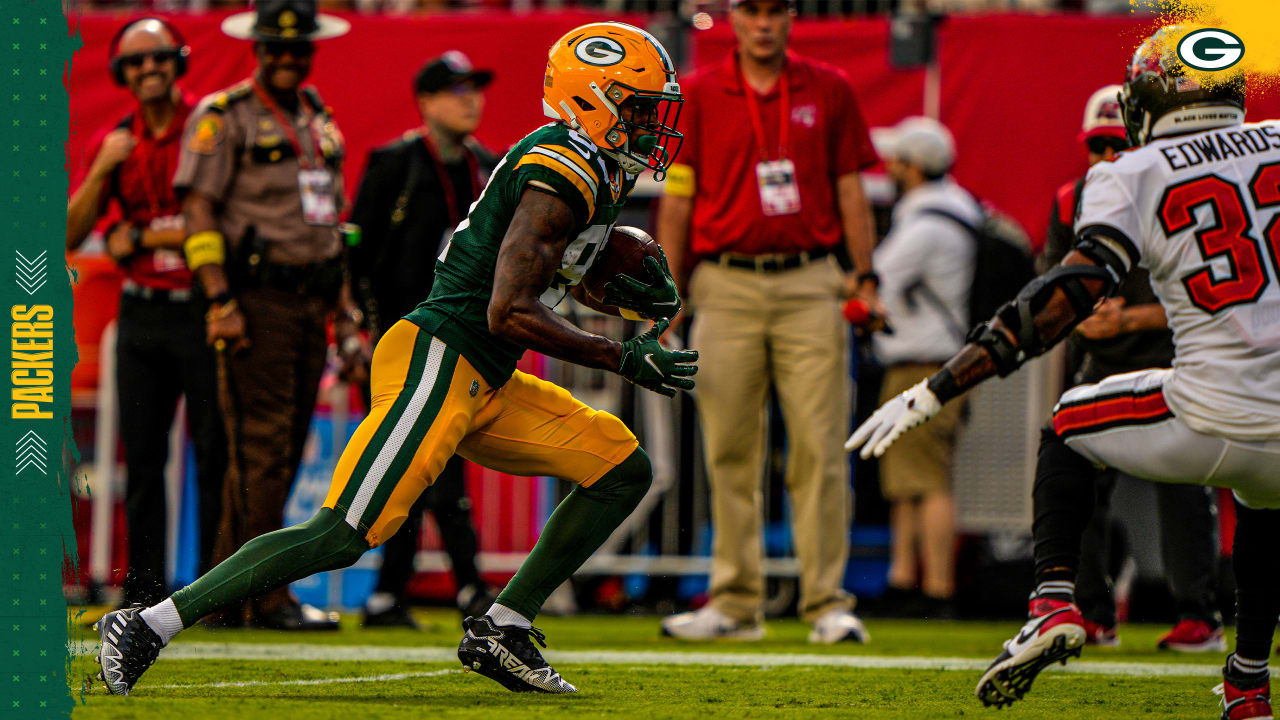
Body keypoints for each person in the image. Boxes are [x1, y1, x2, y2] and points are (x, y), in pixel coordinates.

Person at [95, 21, 697, 697]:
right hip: (442, 355)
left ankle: (504, 627)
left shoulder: (592, 165)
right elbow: (509, 308)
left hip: (486, 372)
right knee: (345, 531)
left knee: (620, 467)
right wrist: (619, 354)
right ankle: (147, 623)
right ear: (594, 98)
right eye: (639, 106)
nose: (650, 122)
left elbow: (543, 273)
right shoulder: (563, 165)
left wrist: (604, 291)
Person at [848, 27, 1278, 719]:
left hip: (1209, 409)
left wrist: (940, 385)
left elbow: (1065, 296)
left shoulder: (1130, 172)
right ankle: (1249, 682)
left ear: (1146, 100)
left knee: (1068, 423)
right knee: (1267, 503)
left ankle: (1052, 602)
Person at [657, 0, 880, 643]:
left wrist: (863, 275)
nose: (763, 23)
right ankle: (734, 603)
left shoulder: (829, 87)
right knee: (728, 447)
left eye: (775, 11)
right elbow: (678, 198)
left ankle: (827, 604)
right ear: (733, 18)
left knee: (820, 446)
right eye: (751, 10)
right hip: (722, 282)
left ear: (790, 18)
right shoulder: (696, 93)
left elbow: (849, 188)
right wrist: (668, 292)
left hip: (812, 279)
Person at [171, 0, 352, 631]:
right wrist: (219, 300)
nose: (286, 56)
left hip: (311, 300)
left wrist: (345, 309)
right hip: (255, 300)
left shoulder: (317, 118)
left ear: (310, 50)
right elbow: (198, 213)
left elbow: (332, 221)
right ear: (257, 49)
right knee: (264, 450)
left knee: (274, 451)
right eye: (275, 46)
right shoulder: (224, 117)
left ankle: (224, 596)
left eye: (297, 47)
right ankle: (267, 595)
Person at [1043, 84, 1223, 652]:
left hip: (1179, 356)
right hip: (1100, 361)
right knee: (1072, 472)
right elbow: (1051, 290)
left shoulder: (1181, 192)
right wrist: (1078, 320)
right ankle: (1091, 608)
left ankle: (1200, 612)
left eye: (1117, 144)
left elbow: (1214, 293)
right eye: (1097, 146)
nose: (1107, 159)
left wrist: (1131, 318)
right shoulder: (1071, 199)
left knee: (1186, 488)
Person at [66, 17, 226, 609]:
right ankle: (143, 591)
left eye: (160, 57)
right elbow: (73, 231)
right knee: (143, 459)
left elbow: (224, 224)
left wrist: (141, 238)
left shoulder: (209, 128)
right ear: (120, 74)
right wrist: (105, 168)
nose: (149, 68)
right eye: (136, 62)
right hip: (141, 318)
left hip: (203, 310)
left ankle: (212, 594)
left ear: (179, 61)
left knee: (215, 457)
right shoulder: (114, 141)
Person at [347, 51, 500, 627]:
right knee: (409, 463)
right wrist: (353, 325)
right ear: (426, 102)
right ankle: (465, 588)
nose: (471, 99)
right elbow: (355, 250)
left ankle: (394, 594)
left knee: (437, 461)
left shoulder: (488, 168)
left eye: (475, 88)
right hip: (398, 342)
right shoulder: (394, 163)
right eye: (456, 90)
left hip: (466, 339)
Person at [867, 117, 977, 618]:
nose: (888, 168)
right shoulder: (954, 210)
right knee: (909, 478)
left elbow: (879, 276)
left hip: (922, 362)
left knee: (927, 480)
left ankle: (936, 587)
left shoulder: (926, 222)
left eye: (896, 160)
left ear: (913, 167)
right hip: (936, 358)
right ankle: (905, 578)